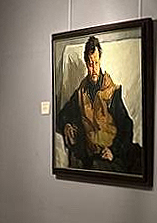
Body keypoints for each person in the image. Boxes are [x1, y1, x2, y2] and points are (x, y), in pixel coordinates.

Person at [56, 35, 142, 174]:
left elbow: (127, 126)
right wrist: (66, 125)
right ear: (86, 64)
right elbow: (62, 115)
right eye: (90, 64)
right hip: (92, 156)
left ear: (100, 61)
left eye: (96, 63)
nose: (93, 68)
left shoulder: (112, 91)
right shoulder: (81, 92)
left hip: (113, 155)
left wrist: (113, 151)